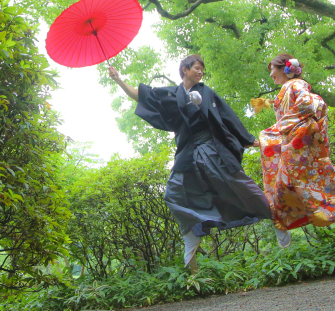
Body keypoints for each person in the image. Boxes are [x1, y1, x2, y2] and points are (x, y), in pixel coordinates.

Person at [109, 54, 290, 271]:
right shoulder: (170, 94)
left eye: (202, 68)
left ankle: (276, 219)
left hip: (212, 148)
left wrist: (249, 139)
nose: (200, 71)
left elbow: (227, 116)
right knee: (173, 194)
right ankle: (191, 234)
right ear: (185, 70)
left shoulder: (206, 92)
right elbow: (142, 97)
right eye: (196, 67)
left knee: (238, 183)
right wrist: (118, 79)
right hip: (187, 152)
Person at [251, 54, 335, 235]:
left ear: (285, 69)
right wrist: (265, 140)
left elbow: (309, 103)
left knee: (288, 181)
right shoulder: (287, 88)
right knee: (289, 183)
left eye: (272, 70)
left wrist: (279, 129)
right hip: (295, 139)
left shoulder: (296, 84)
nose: (270, 75)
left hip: (300, 139)